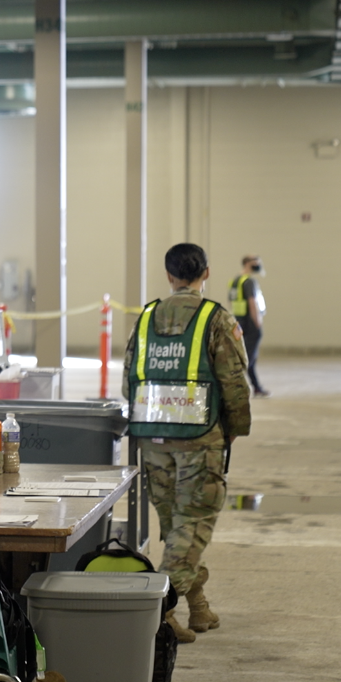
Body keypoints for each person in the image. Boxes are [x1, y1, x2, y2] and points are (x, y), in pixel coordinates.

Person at [122, 243, 251, 644]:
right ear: (205, 273)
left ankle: (198, 607)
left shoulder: (145, 318)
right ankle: (158, 613)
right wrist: (235, 428)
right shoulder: (216, 318)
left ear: (168, 275)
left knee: (179, 525)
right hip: (200, 437)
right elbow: (233, 383)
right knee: (191, 527)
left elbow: (130, 377)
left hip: (153, 437)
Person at [229, 255, 270, 397]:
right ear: (247, 264)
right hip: (250, 323)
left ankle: (257, 387)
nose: (258, 264)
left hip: (239, 322)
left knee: (249, 356)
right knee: (248, 357)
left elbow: (231, 302)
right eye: (255, 262)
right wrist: (257, 322)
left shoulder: (236, 281)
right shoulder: (249, 282)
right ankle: (232, 386)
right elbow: (253, 303)